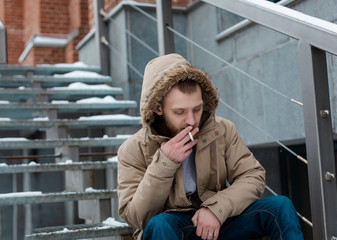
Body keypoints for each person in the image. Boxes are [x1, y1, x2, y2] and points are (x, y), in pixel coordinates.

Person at [117, 53, 303, 240]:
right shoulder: (133, 149)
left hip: (218, 222)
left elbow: (252, 176)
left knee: (280, 207)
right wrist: (164, 163)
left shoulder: (222, 130)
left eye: (197, 109)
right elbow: (136, 217)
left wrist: (216, 209)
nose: (191, 120)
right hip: (173, 230)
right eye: (180, 112)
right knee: (160, 224)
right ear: (158, 108)